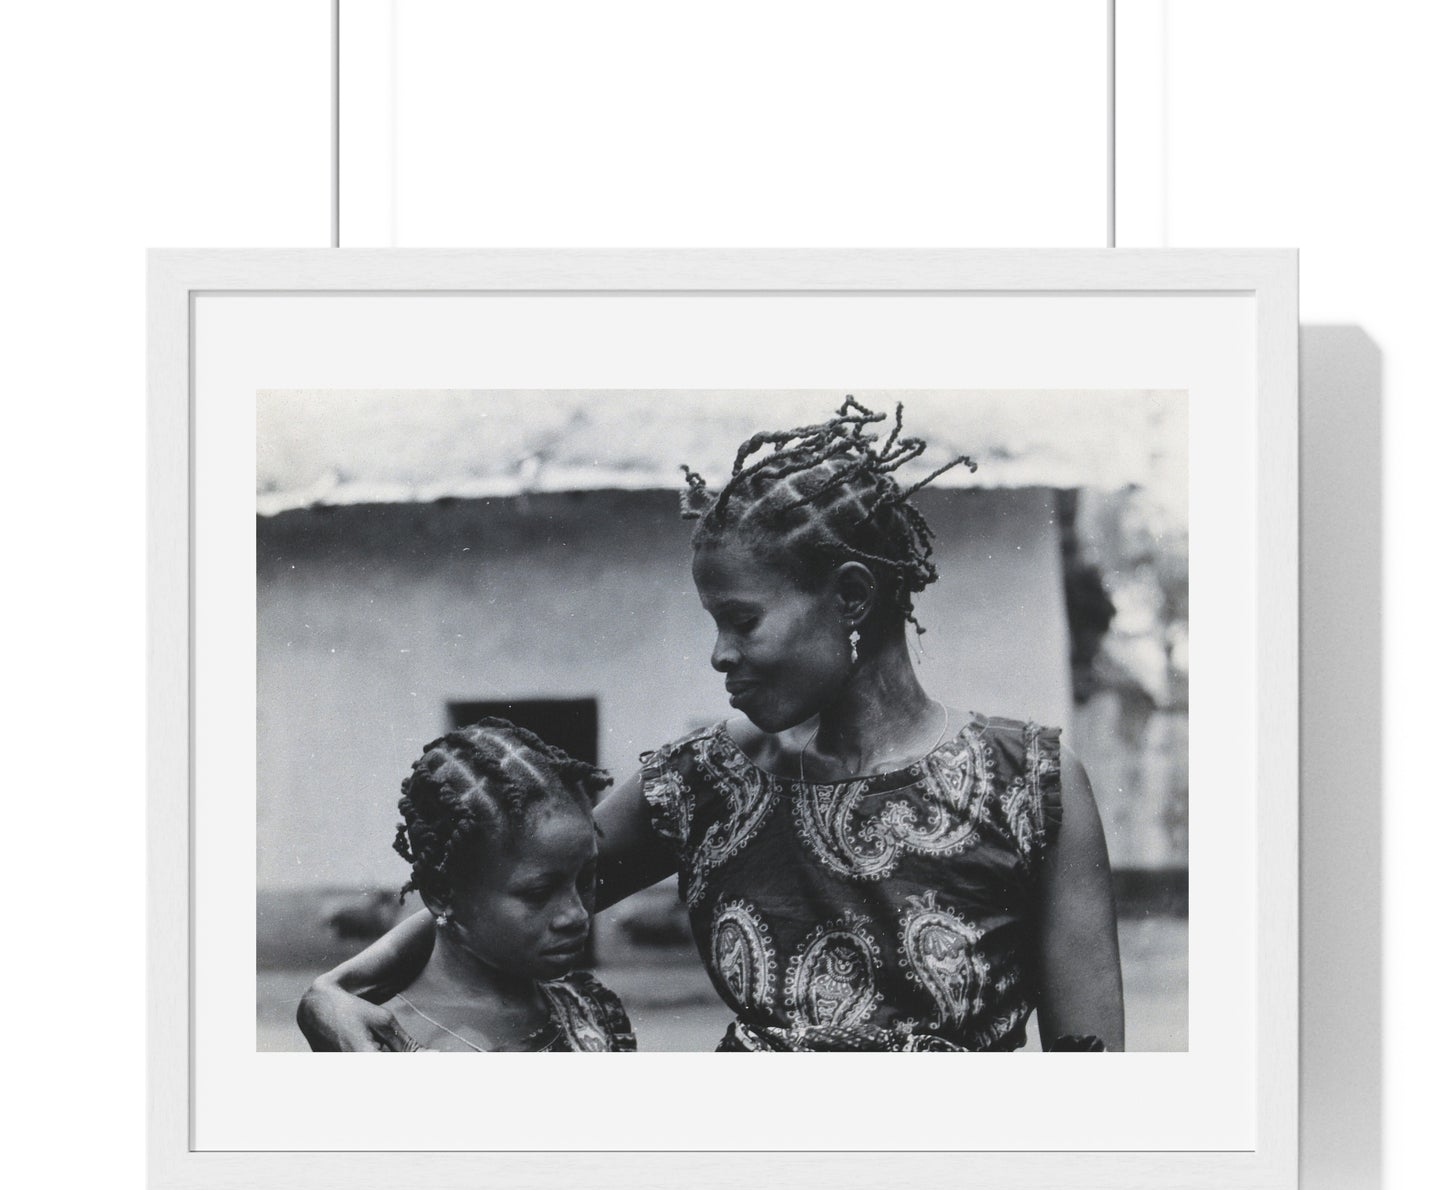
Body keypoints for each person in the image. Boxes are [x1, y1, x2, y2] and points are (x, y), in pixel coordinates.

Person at [299, 398, 1124, 1052]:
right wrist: (333, 992)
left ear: (849, 597)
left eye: (740, 619)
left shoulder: (1031, 789)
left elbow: (1089, 1082)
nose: (719, 655)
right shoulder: (703, 783)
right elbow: (497, 883)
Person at [299, 719, 634, 1052]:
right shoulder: (373, 1041)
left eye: (587, 879)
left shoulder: (593, 1010)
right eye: (539, 893)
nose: (576, 914)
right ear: (441, 894)